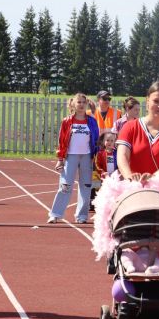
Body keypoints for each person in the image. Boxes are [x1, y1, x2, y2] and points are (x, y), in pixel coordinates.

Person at [47, 93, 100, 224]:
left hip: (87, 157)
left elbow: (96, 140)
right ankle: (55, 214)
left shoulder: (92, 121)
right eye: (79, 102)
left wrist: (95, 157)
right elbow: (61, 141)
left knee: (86, 186)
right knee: (65, 185)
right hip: (71, 157)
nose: (81, 105)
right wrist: (60, 158)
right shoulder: (67, 121)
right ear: (73, 105)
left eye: (83, 102)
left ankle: (82, 216)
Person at [90, 130, 117, 211]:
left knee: (112, 191)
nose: (109, 142)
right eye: (107, 140)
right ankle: (94, 203)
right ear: (103, 142)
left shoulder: (117, 153)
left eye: (112, 141)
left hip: (113, 176)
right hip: (102, 176)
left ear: (114, 142)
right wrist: (102, 172)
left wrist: (117, 172)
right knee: (97, 186)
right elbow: (97, 164)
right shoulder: (100, 153)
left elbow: (119, 164)